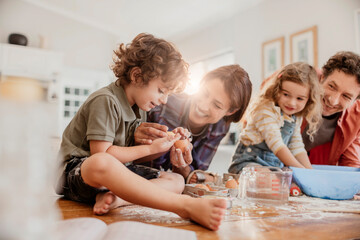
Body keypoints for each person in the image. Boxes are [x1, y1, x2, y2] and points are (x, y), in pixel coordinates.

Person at [55, 33, 226, 231]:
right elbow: (102, 154)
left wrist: (167, 144)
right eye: (161, 91)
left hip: (112, 177)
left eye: (168, 94)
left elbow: (134, 158)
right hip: (75, 174)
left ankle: (118, 198)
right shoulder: (105, 100)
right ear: (137, 76)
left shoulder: (140, 108)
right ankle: (184, 207)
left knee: (175, 179)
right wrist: (148, 149)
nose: (164, 100)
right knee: (101, 161)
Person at [134, 64, 252, 183]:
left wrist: (182, 166)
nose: (203, 106)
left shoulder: (219, 126)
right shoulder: (164, 103)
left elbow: (191, 176)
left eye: (216, 105)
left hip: (163, 182)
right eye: (205, 93)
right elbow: (130, 156)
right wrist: (163, 146)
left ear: (230, 111)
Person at [228, 62, 322, 174]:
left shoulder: (295, 117)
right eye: (286, 94)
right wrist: (301, 170)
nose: (292, 103)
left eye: (300, 99)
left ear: (309, 99)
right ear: (277, 89)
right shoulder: (265, 109)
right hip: (248, 163)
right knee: (271, 180)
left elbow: (296, 146)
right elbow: (276, 144)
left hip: (274, 168)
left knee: (292, 182)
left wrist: (310, 171)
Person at [301, 51, 360, 167]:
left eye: (346, 96)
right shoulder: (298, 85)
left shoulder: (356, 117)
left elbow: (351, 166)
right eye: (331, 86)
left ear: (355, 100)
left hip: (313, 176)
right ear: (322, 77)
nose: (333, 100)